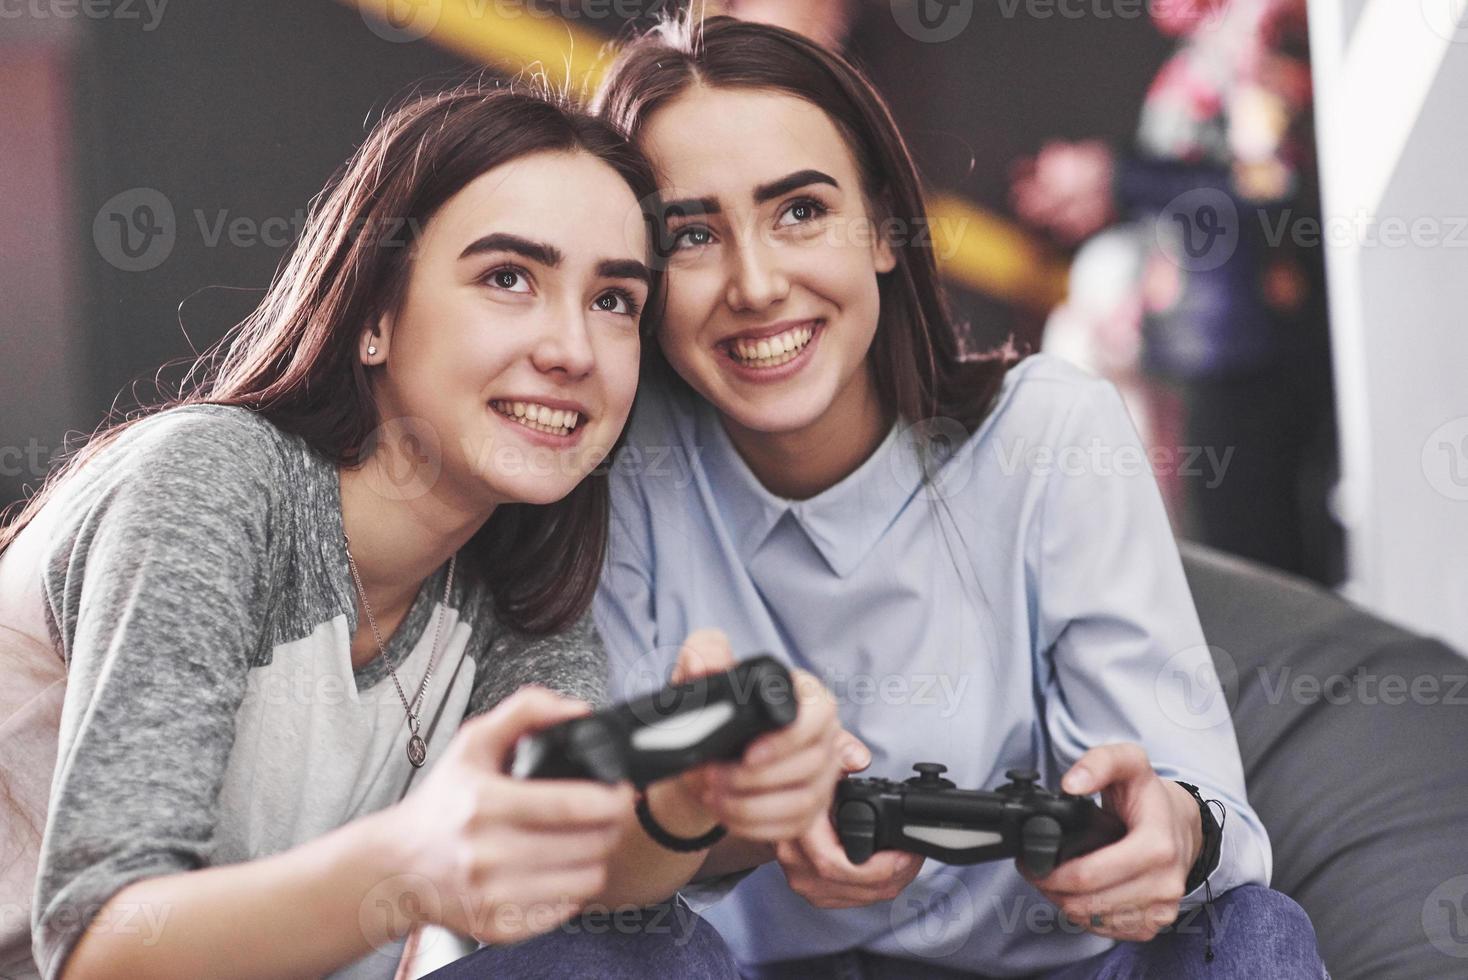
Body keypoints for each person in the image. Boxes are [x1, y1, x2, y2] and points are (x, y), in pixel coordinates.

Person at [0, 80, 845, 980]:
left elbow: (594, 887)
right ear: (373, 315)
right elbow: (98, 958)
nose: (572, 350)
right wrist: (406, 864)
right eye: (508, 278)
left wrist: (693, 797)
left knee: (650, 948)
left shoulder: (511, 587)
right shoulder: (214, 480)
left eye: (614, 302)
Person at [590, 14, 1329, 978]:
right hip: (752, 968)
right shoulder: (614, 468)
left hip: (1059, 962)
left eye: (801, 211)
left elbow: (1201, 808)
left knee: (1253, 929)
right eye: (691, 235)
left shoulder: (1052, 430)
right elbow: (582, 859)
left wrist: (1173, 832)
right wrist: (742, 826)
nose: (758, 283)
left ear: (889, 230)